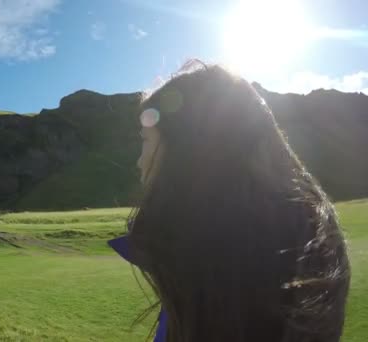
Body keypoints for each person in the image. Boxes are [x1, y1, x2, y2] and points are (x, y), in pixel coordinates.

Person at [108, 61, 350, 342]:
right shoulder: (295, 239)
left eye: (146, 141)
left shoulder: (221, 270)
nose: (139, 162)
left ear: (186, 150)